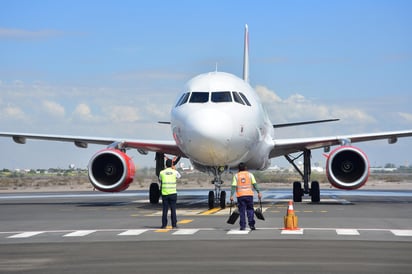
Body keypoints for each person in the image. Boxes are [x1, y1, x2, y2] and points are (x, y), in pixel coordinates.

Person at [230, 162, 262, 230]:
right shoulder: (250, 175)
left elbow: (233, 186)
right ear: (245, 168)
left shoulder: (236, 176)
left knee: (242, 211)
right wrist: (259, 192)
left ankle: (242, 226)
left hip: (240, 196)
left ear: (238, 169)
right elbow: (255, 184)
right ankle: (251, 225)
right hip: (249, 195)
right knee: (250, 210)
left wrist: (231, 195)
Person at [159, 158, 181, 229]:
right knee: (173, 210)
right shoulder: (174, 172)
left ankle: (164, 225)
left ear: (165, 165)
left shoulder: (162, 172)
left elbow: (160, 179)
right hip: (173, 193)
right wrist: (174, 169)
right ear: (171, 165)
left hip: (165, 194)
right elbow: (179, 176)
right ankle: (174, 225)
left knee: (165, 210)